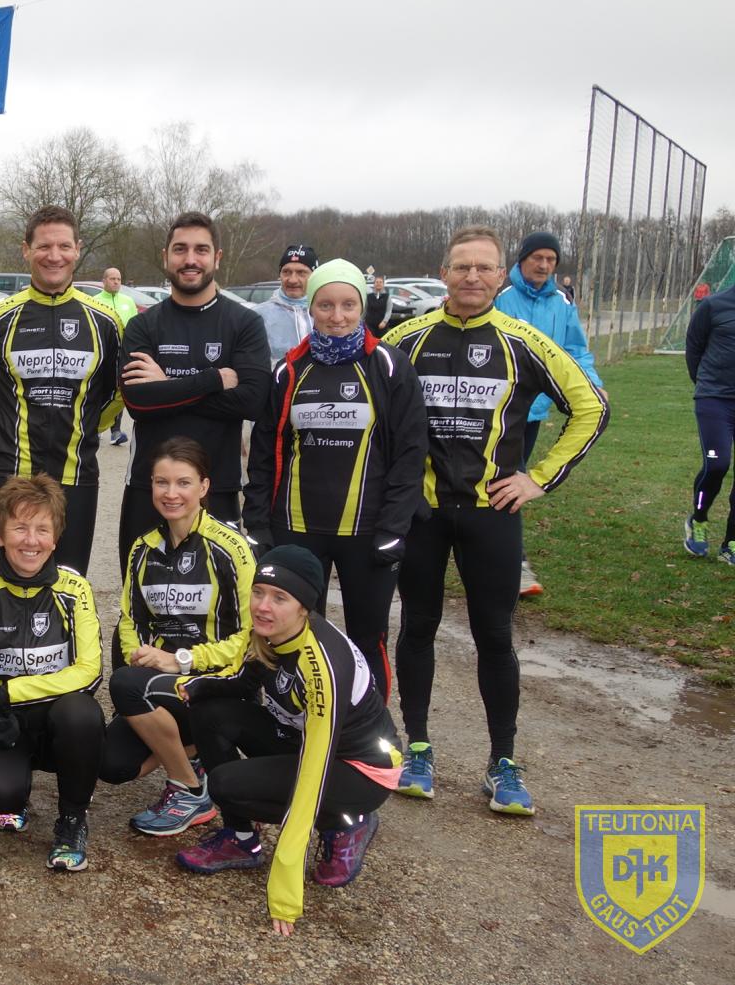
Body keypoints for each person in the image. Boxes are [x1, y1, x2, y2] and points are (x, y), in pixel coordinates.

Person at [383, 225, 608, 816]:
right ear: (444, 273)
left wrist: (539, 478)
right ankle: (418, 749)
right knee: (417, 627)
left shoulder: (524, 340)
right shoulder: (405, 339)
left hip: (493, 514)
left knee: (494, 636)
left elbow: (591, 406)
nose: (473, 277)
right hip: (424, 514)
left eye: (485, 267)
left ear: (500, 274)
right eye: (462, 267)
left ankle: (503, 762)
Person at [171, 547, 401, 938]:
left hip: (358, 769)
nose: (263, 606)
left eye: (280, 598)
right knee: (210, 713)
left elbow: (313, 773)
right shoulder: (270, 631)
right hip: (300, 739)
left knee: (227, 785)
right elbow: (243, 679)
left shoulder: (322, 666)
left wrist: (284, 894)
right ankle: (241, 840)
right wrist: (193, 685)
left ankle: (346, 821)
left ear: (304, 607)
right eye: (259, 592)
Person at [244, 259, 427, 695]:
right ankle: (295, 723)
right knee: (293, 635)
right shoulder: (289, 369)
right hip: (297, 529)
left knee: (368, 636)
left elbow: (410, 453)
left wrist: (394, 527)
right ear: (311, 307)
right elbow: (264, 454)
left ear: (362, 307)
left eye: (348, 305)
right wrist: (257, 522)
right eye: (325, 305)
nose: (337, 316)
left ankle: (370, 728)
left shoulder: (389, 366)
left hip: (368, 532)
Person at [104, 437, 256, 835]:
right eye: (162, 482)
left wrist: (182, 661)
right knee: (110, 763)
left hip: (217, 683)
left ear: (204, 487)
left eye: (183, 483)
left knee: (125, 685)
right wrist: (139, 655)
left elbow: (252, 636)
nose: (171, 493)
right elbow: (129, 619)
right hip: (162, 684)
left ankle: (187, 789)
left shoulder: (231, 548)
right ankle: (196, 754)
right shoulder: (143, 548)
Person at [0, 474, 105, 872]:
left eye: (42, 529)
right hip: (7, 724)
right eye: (20, 528)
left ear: (55, 538)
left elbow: (89, 672)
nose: (31, 540)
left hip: (59, 721)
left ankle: (72, 819)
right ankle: (16, 795)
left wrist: (10, 693)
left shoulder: (75, 591)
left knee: (82, 713)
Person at [0, 206, 122, 575]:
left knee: (69, 583)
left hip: (76, 472)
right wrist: (6, 430)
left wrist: (87, 427)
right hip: (9, 470)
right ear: (26, 250)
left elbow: (115, 395)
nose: (54, 256)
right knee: (3, 582)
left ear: (78, 249)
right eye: (43, 246)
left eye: (64, 246)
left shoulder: (105, 322)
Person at [118, 212, 270, 569]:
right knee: (142, 593)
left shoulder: (245, 323)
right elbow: (138, 402)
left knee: (218, 595)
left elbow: (252, 401)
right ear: (165, 256)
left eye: (201, 250)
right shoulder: (142, 325)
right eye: (180, 249)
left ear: (217, 257)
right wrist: (212, 380)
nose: (190, 259)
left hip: (216, 487)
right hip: (150, 487)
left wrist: (166, 387)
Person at [493, 231, 605, 598]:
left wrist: (592, 384)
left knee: (509, 479)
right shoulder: (502, 298)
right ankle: (514, 565)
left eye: (550, 260)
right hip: (502, 409)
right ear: (522, 260)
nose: (543, 265)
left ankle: (499, 558)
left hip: (535, 410)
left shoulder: (562, 301)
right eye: (537, 258)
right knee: (508, 479)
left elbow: (575, 348)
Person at [685, 283, 735, 563]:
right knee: (717, 464)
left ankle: (731, 542)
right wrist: (707, 384)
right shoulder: (713, 306)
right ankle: (699, 518)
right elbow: (694, 349)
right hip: (715, 400)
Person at [92, 267, 138, 446]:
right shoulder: (94, 301)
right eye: (112, 279)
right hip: (101, 353)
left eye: (118, 279)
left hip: (122, 353)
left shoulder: (128, 301)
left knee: (118, 391)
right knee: (98, 389)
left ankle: (116, 431)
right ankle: (95, 427)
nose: (116, 282)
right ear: (104, 281)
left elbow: (135, 328)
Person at [253, 245, 316, 366]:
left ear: (314, 276)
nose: (292, 280)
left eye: (301, 273)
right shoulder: (258, 316)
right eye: (286, 272)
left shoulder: (328, 315)